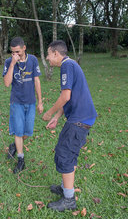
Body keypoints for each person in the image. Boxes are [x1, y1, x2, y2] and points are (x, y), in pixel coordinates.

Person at [42, 40, 97, 211]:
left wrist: (49, 112)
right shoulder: (70, 65)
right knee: (69, 154)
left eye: (48, 55)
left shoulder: (67, 66)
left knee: (64, 154)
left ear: (56, 53)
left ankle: (69, 200)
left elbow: (65, 96)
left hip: (79, 120)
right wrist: (58, 117)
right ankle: (66, 188)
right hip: (81, 117)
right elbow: (70, 97)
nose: (47, 59)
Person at [3, 37, 43, 173]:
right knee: (18, 132)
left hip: (31, 102)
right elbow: (7, 83)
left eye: (18, 52)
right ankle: (21, 159)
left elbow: (36, 81)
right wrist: (13, 64)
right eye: (13, 52)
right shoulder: (9, 62)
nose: (15, 55)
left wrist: (40, 101)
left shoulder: (33, 60)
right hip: (17, 102)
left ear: (24, 48)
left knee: (27, 132)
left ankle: (14, 145)